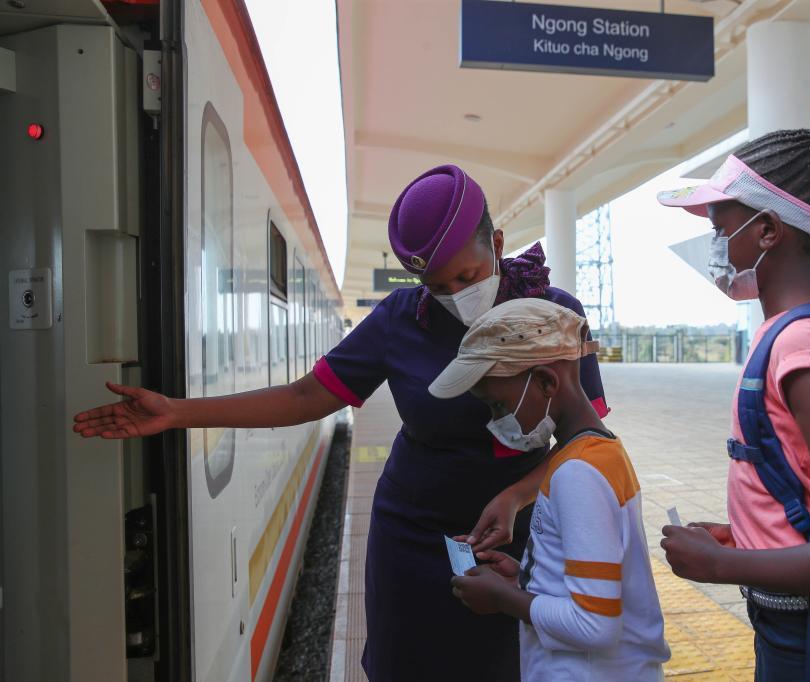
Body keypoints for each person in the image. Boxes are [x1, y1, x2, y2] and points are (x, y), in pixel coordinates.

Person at [72, 164, 609, 681]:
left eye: (466, 277)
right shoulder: (401, 319)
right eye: (438, 286)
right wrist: (177, 412)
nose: (455, 297)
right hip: (414, 537)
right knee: (407, 666)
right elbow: (305, 396)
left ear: (496, 243)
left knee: (509, 666)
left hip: (523, 535)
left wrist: (516, 495)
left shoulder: (554, 316)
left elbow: (589, 442)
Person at [656, 113, 810, 681]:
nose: (715, 244)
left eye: (720, 226)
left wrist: (722, 566)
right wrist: (744, 537)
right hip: (800, 626)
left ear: (768, 231)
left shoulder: (803, 344)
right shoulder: (804, 330)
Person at [433, 298, 669, 682]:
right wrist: (524, 578)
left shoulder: (577, 473)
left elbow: (595, 625)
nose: (497, 421)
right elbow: (591, 582)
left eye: (498, 405)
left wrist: (503, 599)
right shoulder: (596, 450)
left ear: (546, 382)